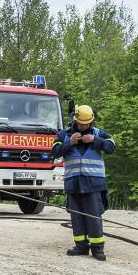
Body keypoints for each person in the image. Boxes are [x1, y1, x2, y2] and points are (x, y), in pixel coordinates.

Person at [51, 105, 116, 260]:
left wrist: (96, 140)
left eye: (86, 124)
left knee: (93, 215)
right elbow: (54, 152)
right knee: (77, 216)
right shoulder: (64, 135)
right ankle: (81, 246)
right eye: (81, 123)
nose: (83, 126)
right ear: (75, 120)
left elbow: (111, 147)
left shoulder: (99, 134)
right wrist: (70, 143)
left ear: (91, 122)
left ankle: (97, 249)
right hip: (73, 182)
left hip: (93, 183)